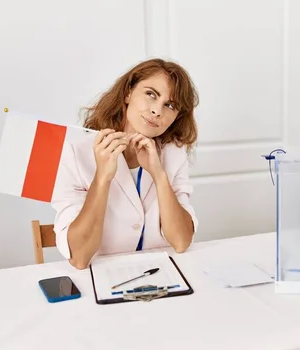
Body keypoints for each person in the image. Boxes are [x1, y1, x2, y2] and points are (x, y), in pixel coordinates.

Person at [51, 58, 199, 270]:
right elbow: (80, 257)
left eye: (170, 105)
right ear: (128, 92)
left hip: (162, 276)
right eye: (151, 94)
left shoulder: (173, 153)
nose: (157, 111)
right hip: (101, 278)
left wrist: (159, 175)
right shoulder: (75, 151)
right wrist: (102, 177)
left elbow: (182, 241)